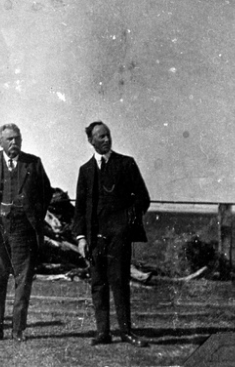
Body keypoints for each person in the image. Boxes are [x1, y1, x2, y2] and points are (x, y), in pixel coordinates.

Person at [0, 124, 53, 342]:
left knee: (23, 280)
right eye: (9, 139)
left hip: (23, 230)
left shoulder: (33, 163)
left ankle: (18, 329)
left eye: (17, 138)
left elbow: (46, 192)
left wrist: (33, 214)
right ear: (0, 142)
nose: (14, 143)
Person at [73, 121, 151, 348]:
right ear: (91, 141)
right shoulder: (85, 171)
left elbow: (142, 199)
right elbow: (79, 209)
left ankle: (126, 332)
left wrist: (126, 226)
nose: (107, 140)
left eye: (108, 135)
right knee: (98, 284)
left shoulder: (126, 164)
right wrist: (80, 238)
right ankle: (102, 332)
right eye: (101, 137)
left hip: (119, 238)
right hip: (95, 240)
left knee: (119, 283)